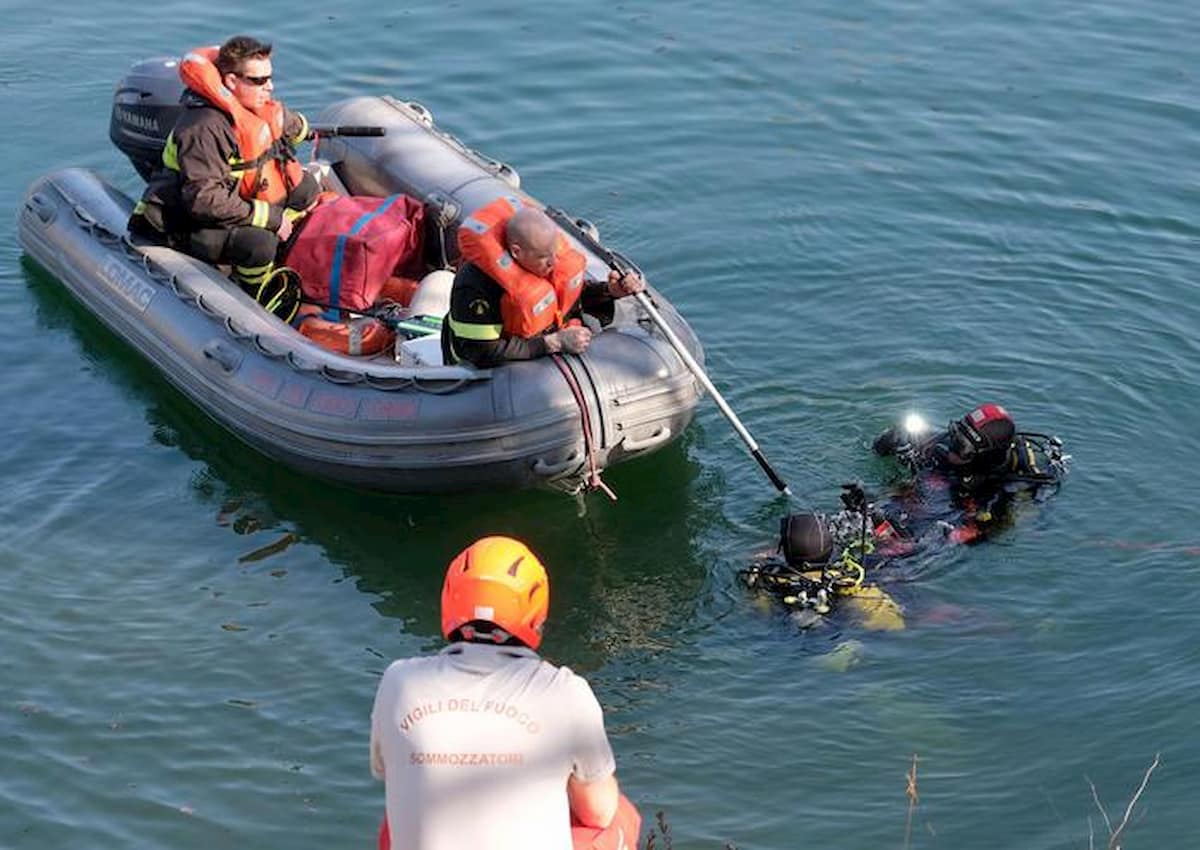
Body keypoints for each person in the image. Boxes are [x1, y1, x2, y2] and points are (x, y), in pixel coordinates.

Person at [370, 536, 625, 850]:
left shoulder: (399, 681)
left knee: (400, 813)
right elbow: (599, 813)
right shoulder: (565, 692)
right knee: (617, 816)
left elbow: (389, 771)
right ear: (535, 611)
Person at [128, 35, 320, 320]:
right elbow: (203, 200)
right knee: (259, 242)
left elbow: (287, 124)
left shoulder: (252, 107)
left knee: (306, 190)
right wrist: (270, 218)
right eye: (258, 80)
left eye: (269, 77)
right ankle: (254, 300)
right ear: (231, 82)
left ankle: (274, 255)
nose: (269, 86)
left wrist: (308, 130)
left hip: (227, 201)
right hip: (181, 221)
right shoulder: (203, 129)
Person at [441, 200, 645, 367]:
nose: (553, 262)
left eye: (553, 252)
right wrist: (554, 343)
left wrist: (610, 291)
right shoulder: (475, 285)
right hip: (490, 372)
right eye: (543, 257)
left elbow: (569, 298)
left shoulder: (545, 262)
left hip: (545, 345)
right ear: (516, 252)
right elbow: (480, 351)